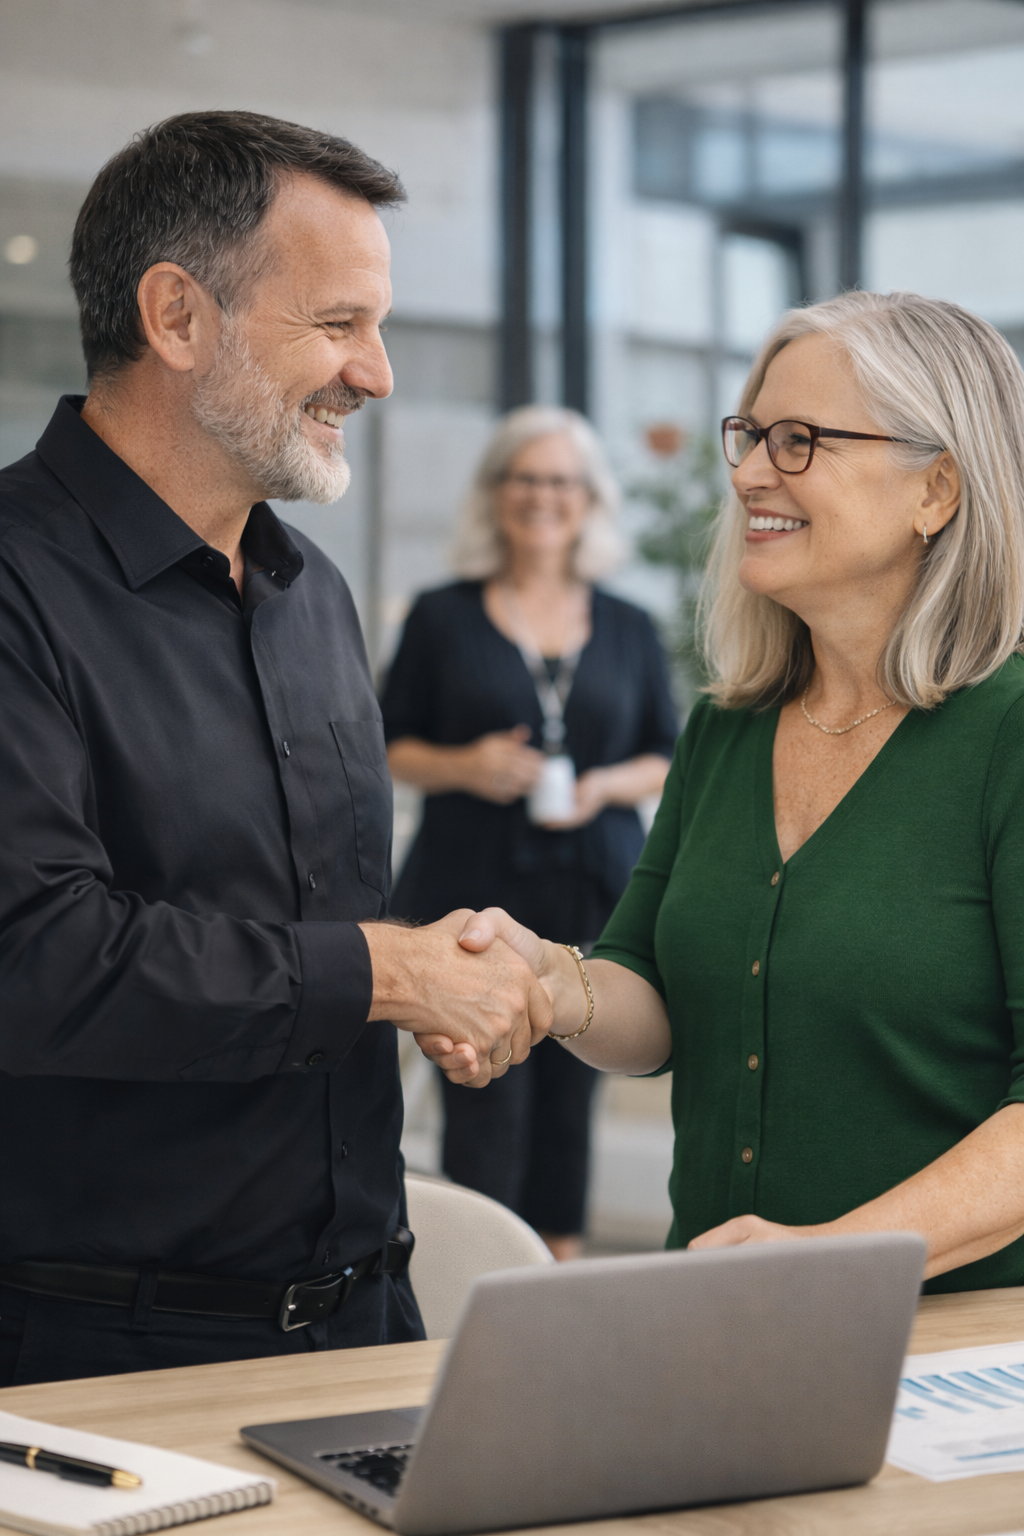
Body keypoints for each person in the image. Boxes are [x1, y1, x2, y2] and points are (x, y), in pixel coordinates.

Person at [0, 111, 551, 1388]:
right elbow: (33, 956)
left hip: (370, 1322)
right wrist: (380, 976)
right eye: (338, 322)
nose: (378, 372)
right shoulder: (17, 585)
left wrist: (437, 979)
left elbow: (316, 916)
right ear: (177, 317)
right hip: (101, 1369)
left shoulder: (309, 592)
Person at [423, 290, 1024, 1293]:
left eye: (799, 442)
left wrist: (827, 1258)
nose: (747, 473)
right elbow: (652, 996)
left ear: (937, 492)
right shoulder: (730, 723)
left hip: (950, 1365)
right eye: (748, 435)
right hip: (718, 1328)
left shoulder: (1007, 731)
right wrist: (550, 982)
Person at [382, 406, 677, 1259]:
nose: (543, 497)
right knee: (483, 1090)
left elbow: (668, 752)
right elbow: (384, 743)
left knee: (570, 1097)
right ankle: (480, 1279)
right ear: (496, 494)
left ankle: (554, 1286)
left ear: (589, 500)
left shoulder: (628, 623)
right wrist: (465, 765)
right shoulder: (442, 615)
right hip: (472, 891)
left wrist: (601, 786)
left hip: (591, 882)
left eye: (561, 481)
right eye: (525, 478)